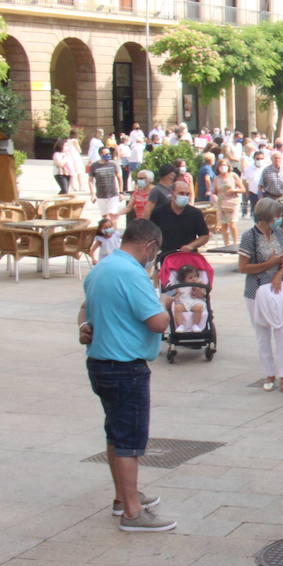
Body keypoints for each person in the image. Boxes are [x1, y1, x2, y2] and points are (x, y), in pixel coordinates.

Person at [77, 219, 175, 531]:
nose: (153, 257)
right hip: (125, 366)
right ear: (149, 246)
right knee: (130, 440)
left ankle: (124, 496)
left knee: (115, 433)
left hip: (101, 362)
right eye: (154, 251)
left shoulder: (101, 268)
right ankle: (133, 511)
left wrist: (83, 326)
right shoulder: (132, 274)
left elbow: (84, 310)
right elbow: (157, 323)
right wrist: (165, 304)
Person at [238, 196, 283, 393]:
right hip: (256, 290)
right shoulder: (249, 237)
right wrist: (268, 265)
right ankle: (269, 374)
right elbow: (243, 267)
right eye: (275, 215)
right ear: (266, 216)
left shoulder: (278, 233)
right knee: (262, 333)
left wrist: (279, 273)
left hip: (280, 287)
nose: (278, 219)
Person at [150, 179, 210, 260]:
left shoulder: (195, 213)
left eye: (187, 194)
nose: (184, 196)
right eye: (181, 193)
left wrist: (191, 246)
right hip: (165, 257)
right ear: (172, 194)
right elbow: (151, 235)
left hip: (189, 257)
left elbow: (204, 236)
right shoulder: (158, 212)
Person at [160, 264, 208, 333]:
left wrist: (197, 288)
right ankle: (180, 325)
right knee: (177, 308)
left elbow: (202, 295)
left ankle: (195, 325)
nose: (194, 279)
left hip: (195, 301)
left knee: (199, 307)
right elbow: (177, 294)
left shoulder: (199, 284)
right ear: (183, 280)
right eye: (190, 278)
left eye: (195, 276)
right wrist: (176, 298)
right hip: (184, 302)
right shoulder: (180, 286)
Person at [213, 157, 245, 247]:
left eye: (224, 165)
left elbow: (243, 189)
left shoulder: (233, 175)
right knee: (224, 225)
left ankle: (235, 244)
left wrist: (234, 190)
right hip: (221, 203)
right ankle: (226, 244)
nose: (223, 167)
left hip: (233, 202)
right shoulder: (216, 178)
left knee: (232, 224)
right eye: (221, 165)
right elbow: (215, 191)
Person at [86, 147, 124, 225]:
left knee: (113, 216)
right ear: (100, 154)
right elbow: (90, 181)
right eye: (106, 154)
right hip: (101, 195)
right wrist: (93, 194)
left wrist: (121, 192)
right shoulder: (94, 166)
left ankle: (114, 234)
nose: (108, 155)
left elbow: (119, 178)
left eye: (109, 153)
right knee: (105, 217)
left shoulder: (113, 164)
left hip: (113, 194)